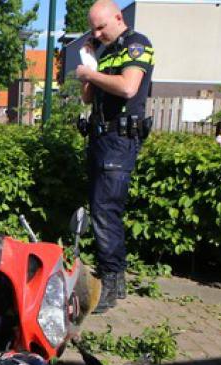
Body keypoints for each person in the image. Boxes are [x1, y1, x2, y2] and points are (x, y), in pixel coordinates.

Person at [75, 0, 155, 314]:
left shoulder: (138, 45)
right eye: (93, 28)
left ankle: (110, 284)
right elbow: (87, 96)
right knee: (100, 209)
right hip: (100, 138)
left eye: (101, 26)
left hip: (119, 141)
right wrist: (90, 64)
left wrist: (90, 75)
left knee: (106, 210)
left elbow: (128, 87)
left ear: (118, 17)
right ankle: (113, 281)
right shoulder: (108, 52)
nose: (97, 32)